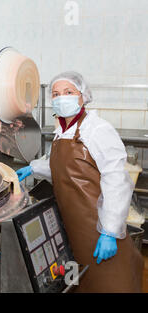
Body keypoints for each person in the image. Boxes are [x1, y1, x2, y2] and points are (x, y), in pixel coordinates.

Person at [16, 71, 143, 293]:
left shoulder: (97, 130)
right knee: (79, 284)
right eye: (55, 94)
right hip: (71, 229)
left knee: (111, 284)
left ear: (82, 96)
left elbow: (117, 181)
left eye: (68, 92)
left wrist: (110, 231)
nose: (60, 98)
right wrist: (34, 168)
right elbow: (66, 168)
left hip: (98, 229)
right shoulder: (61, 132)